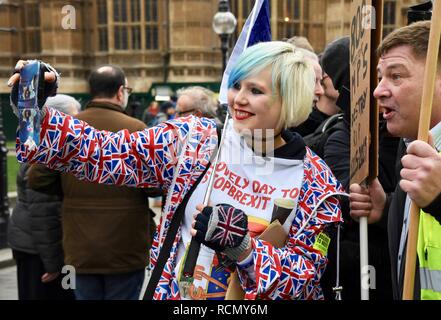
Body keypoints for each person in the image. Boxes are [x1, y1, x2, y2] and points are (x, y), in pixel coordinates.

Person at [11, 42, 343, 300]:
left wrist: (244, 249)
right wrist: (34, 114)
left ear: (290, 100)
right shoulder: (194, 140)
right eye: (237, 85)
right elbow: (105, 154)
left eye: (256, 91)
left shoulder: (315, 182)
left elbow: (305, 278)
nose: (238, 99)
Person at [26, 65, 156, 300]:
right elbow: (154, 186)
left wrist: (69, 184)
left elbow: (36, 179)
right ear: (120, 92)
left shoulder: (66, 130)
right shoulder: (138, 130)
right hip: (125, 249)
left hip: (80, 248)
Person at [349, 21, 441, 300]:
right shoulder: (412, 147)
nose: (378, 90)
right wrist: (386, 210)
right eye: (380, 77)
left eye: (396, 76)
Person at [316, 37, 393, 300]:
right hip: (367, 270)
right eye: (378, 78)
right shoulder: (340, 138)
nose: (382, 90)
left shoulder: (408, 130)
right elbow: (360, 201)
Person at [7, 94, 80, 300]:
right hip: (38, 250)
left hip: (38, 245)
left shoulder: (42, 143)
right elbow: (44, 214)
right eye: (75, 118)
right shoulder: (45, 150)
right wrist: (53, 264)